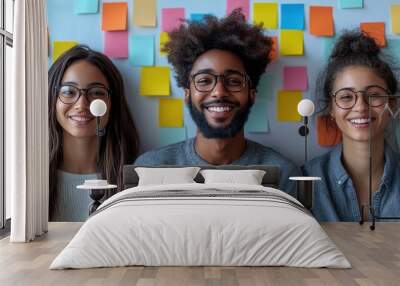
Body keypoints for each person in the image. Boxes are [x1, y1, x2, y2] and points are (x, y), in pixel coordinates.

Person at [135, 10, 300, 196]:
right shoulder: (151, 169)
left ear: (252, 94)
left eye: (234, 81)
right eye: (204, 80)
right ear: (187, 94)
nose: (219, 92)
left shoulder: (283, 174)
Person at [303, 30, 400, 221]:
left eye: (374, 95)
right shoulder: (306, 181)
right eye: (346, 97)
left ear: (392, 104)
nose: (361, 107)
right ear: (331, 108)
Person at [48, 45, 139, 221]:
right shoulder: (29, 181)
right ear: (52, 100)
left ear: (113, 104)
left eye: (96, 92)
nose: (82, 104)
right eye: (68, 92)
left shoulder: (134, 180)